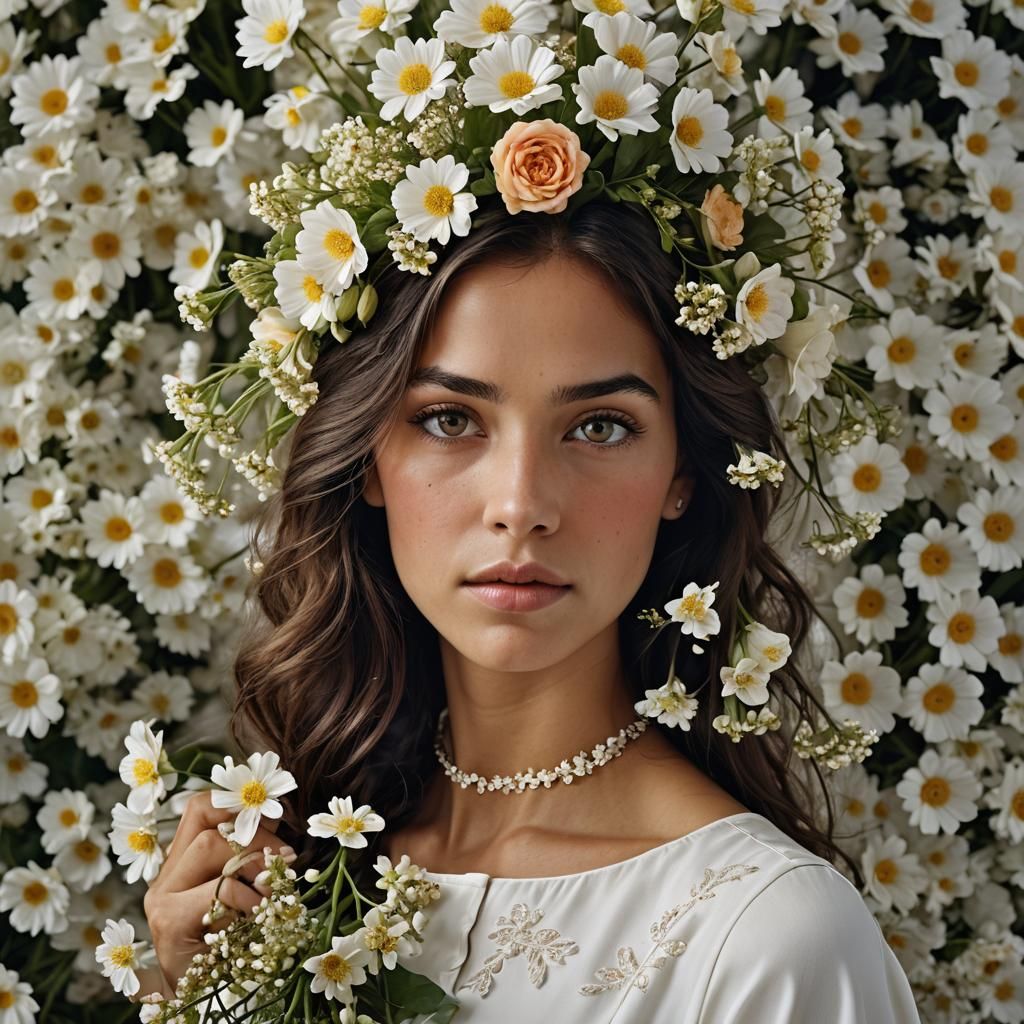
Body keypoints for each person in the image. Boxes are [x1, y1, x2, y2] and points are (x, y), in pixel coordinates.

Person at [141, 197, 922, 1021]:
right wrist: (196, 992)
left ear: (683, 477)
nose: (521, 504)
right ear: (368, 457)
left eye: (600, 428)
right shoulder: (286, 883)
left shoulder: (768, 939)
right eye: (450, 419)